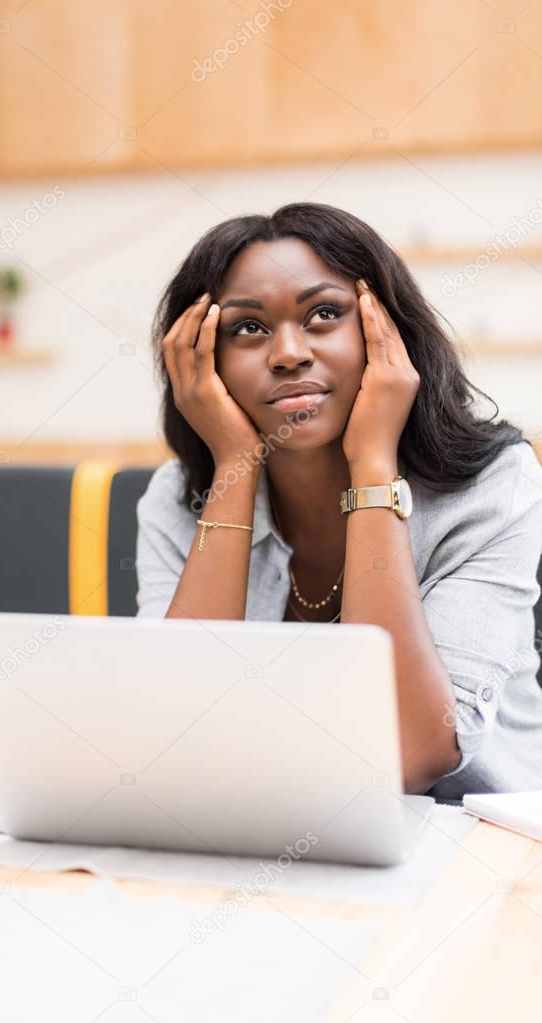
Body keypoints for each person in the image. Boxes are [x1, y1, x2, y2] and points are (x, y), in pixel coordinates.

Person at [135, 202, 542, 799]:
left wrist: (373, 468)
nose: (289, 353)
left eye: (324, 314)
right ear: (199, 360)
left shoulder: (491, 486)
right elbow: (175, 736)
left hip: (475, 841)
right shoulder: (177, 499)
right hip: (270, 829)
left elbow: (406, 758)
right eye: (247, 328)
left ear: (387, 333)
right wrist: (235, 468)